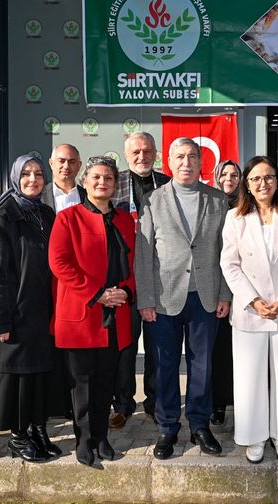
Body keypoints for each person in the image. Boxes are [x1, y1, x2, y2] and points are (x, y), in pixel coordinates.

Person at [135, 137, 232, 460]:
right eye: (180, 157)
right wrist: (145, 299)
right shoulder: (152, 200)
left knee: (202, 365)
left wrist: (225, 294)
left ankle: (200, 424)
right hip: (164, 298)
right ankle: (167, 427)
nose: (186, 162)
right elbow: (143, 254)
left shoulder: (218, 200)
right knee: (164, 365)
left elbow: (227, 252)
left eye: (192, 156)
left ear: (201, 162)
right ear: (169, 162)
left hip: (206, 297)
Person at [220, 156, 278, 464]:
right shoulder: (235, 217)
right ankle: (254, 436)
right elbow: (229, 264)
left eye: (269, 177)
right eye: (256, 178)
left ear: (277, 180)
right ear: (247, 184)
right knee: (250, 377)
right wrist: (254, 300)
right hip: (250, 310)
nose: (263, 184)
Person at [0, 154, 63, 462]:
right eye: (26, 174)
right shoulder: (2, 215)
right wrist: (1, 321)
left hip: (42, 309)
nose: (33, 179)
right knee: (17, 377)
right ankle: (18, 436)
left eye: (38, 173)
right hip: (14, 311)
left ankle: (38, 429)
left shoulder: (46, 213)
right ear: (15, 178)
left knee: (39, 373)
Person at [49, 156, 136, 466]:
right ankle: (84, 440)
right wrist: (97, 294)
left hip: (116, 314)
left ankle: (101, 437)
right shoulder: (67, 218)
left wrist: (126, 291)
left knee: (105, 382)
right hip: (82, 314)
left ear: (115, 185)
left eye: (108, 178)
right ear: (84, 182)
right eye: (96, 177)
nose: (102, 182)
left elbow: (134, 263)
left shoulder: (124, 220)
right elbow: (59, 263)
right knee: (82, 384)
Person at [109, 131, 170, 429]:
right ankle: (122, 404)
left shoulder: (169, 184)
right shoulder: (112, 183)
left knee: (158, 345)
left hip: (160, 279)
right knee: (125, 345)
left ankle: (155, 402)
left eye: (147, 151)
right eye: (136, 152)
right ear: (126, 155)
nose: (142, 156)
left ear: (156, 153)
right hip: (125, 279)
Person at [210, 159, 242, 425]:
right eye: (224, 174)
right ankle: (218, 403)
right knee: (218, 351)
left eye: (234, 175)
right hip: (216, 287)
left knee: (241, 352)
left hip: (243, 288)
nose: (229, 179)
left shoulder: (247, 205)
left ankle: (241, 401)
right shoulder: (209, 204)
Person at [42, 144, 84, 212]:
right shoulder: (40, 196)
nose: (66, 166)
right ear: (51, 163)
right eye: (61, 161)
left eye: (72, 162)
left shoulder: (88, 196)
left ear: (79, 165)